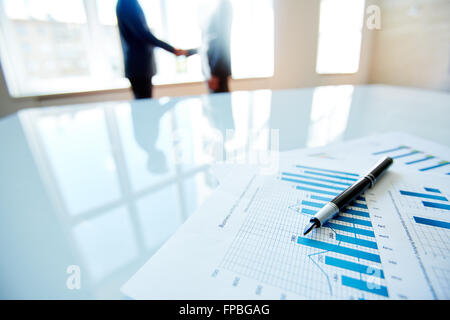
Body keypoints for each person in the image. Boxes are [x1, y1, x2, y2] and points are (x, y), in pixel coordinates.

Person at [116, 0, 189, 99]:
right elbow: (143, 34)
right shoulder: (127, 3)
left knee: (145, 102)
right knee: (144, 104)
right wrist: (172, 50)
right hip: (138, 67)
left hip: (141, 67)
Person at [205, 0, 233, 93]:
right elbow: (210, 40)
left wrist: (215, 74)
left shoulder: (223, 5)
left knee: (219, 104)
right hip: (215, 70)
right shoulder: (217, 6)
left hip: (218, 73)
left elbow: (222, 41)